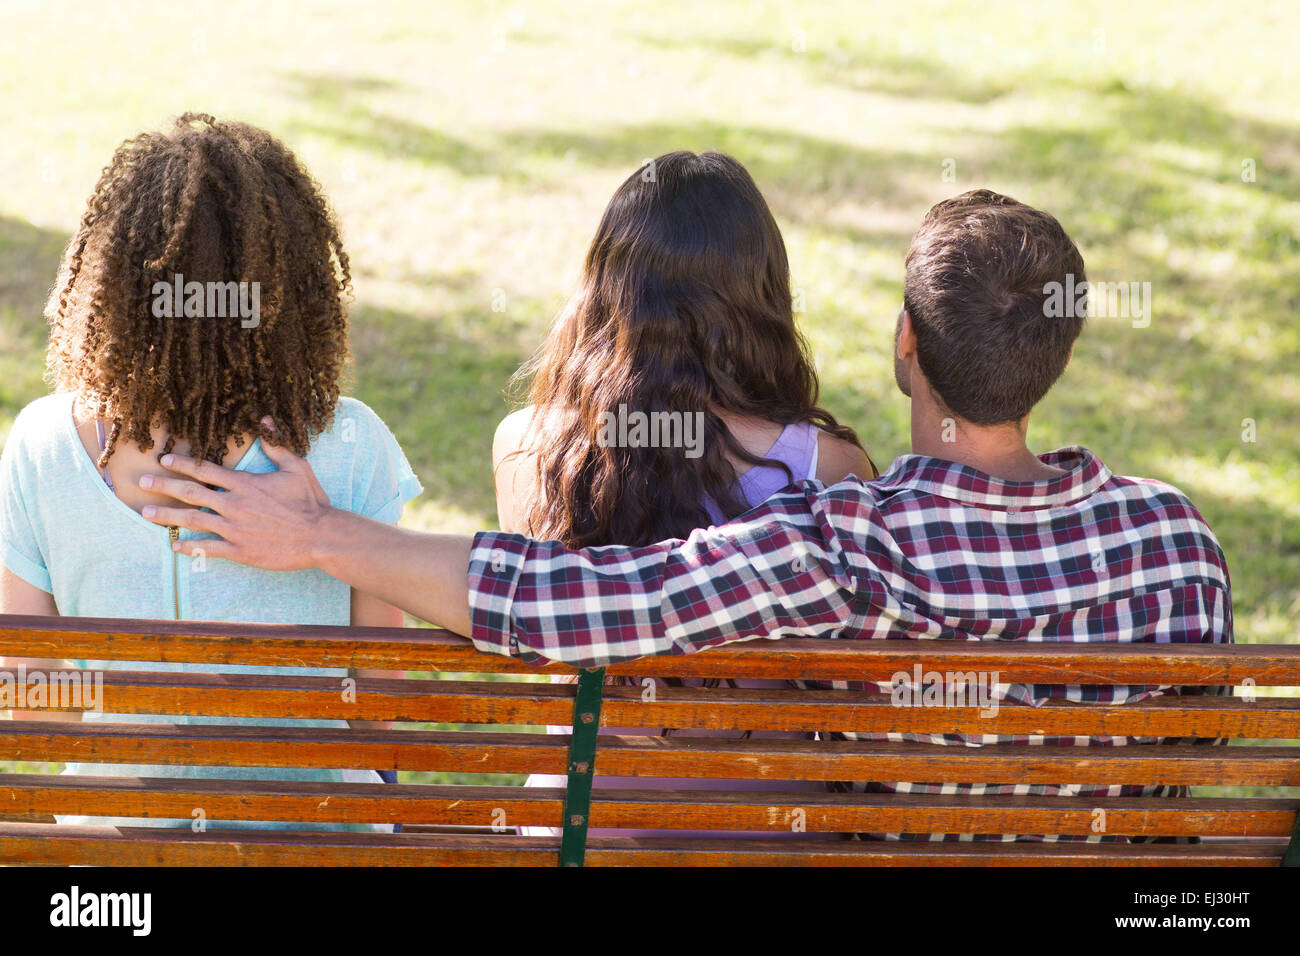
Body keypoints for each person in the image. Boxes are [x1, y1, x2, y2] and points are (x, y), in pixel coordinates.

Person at [139, 189, 1233, 842]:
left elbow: (579, 603)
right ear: (1061, 351)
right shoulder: (1178, 542)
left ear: (906, 343)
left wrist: (319, 535)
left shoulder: (851, 543)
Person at [0, 114, 421, 831]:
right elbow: (377, 691)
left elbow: (21, 682)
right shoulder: (349, 444)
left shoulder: (42, 442)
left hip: (115, 853)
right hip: (315, 839)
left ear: (111, 289)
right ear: (296, 292)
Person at [493, 151, 875, 838]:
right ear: (760, 298)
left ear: (606, 289)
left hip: (582, 825)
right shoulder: (831, 464)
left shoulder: (528, 448)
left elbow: (547, 655)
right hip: (767, 830)